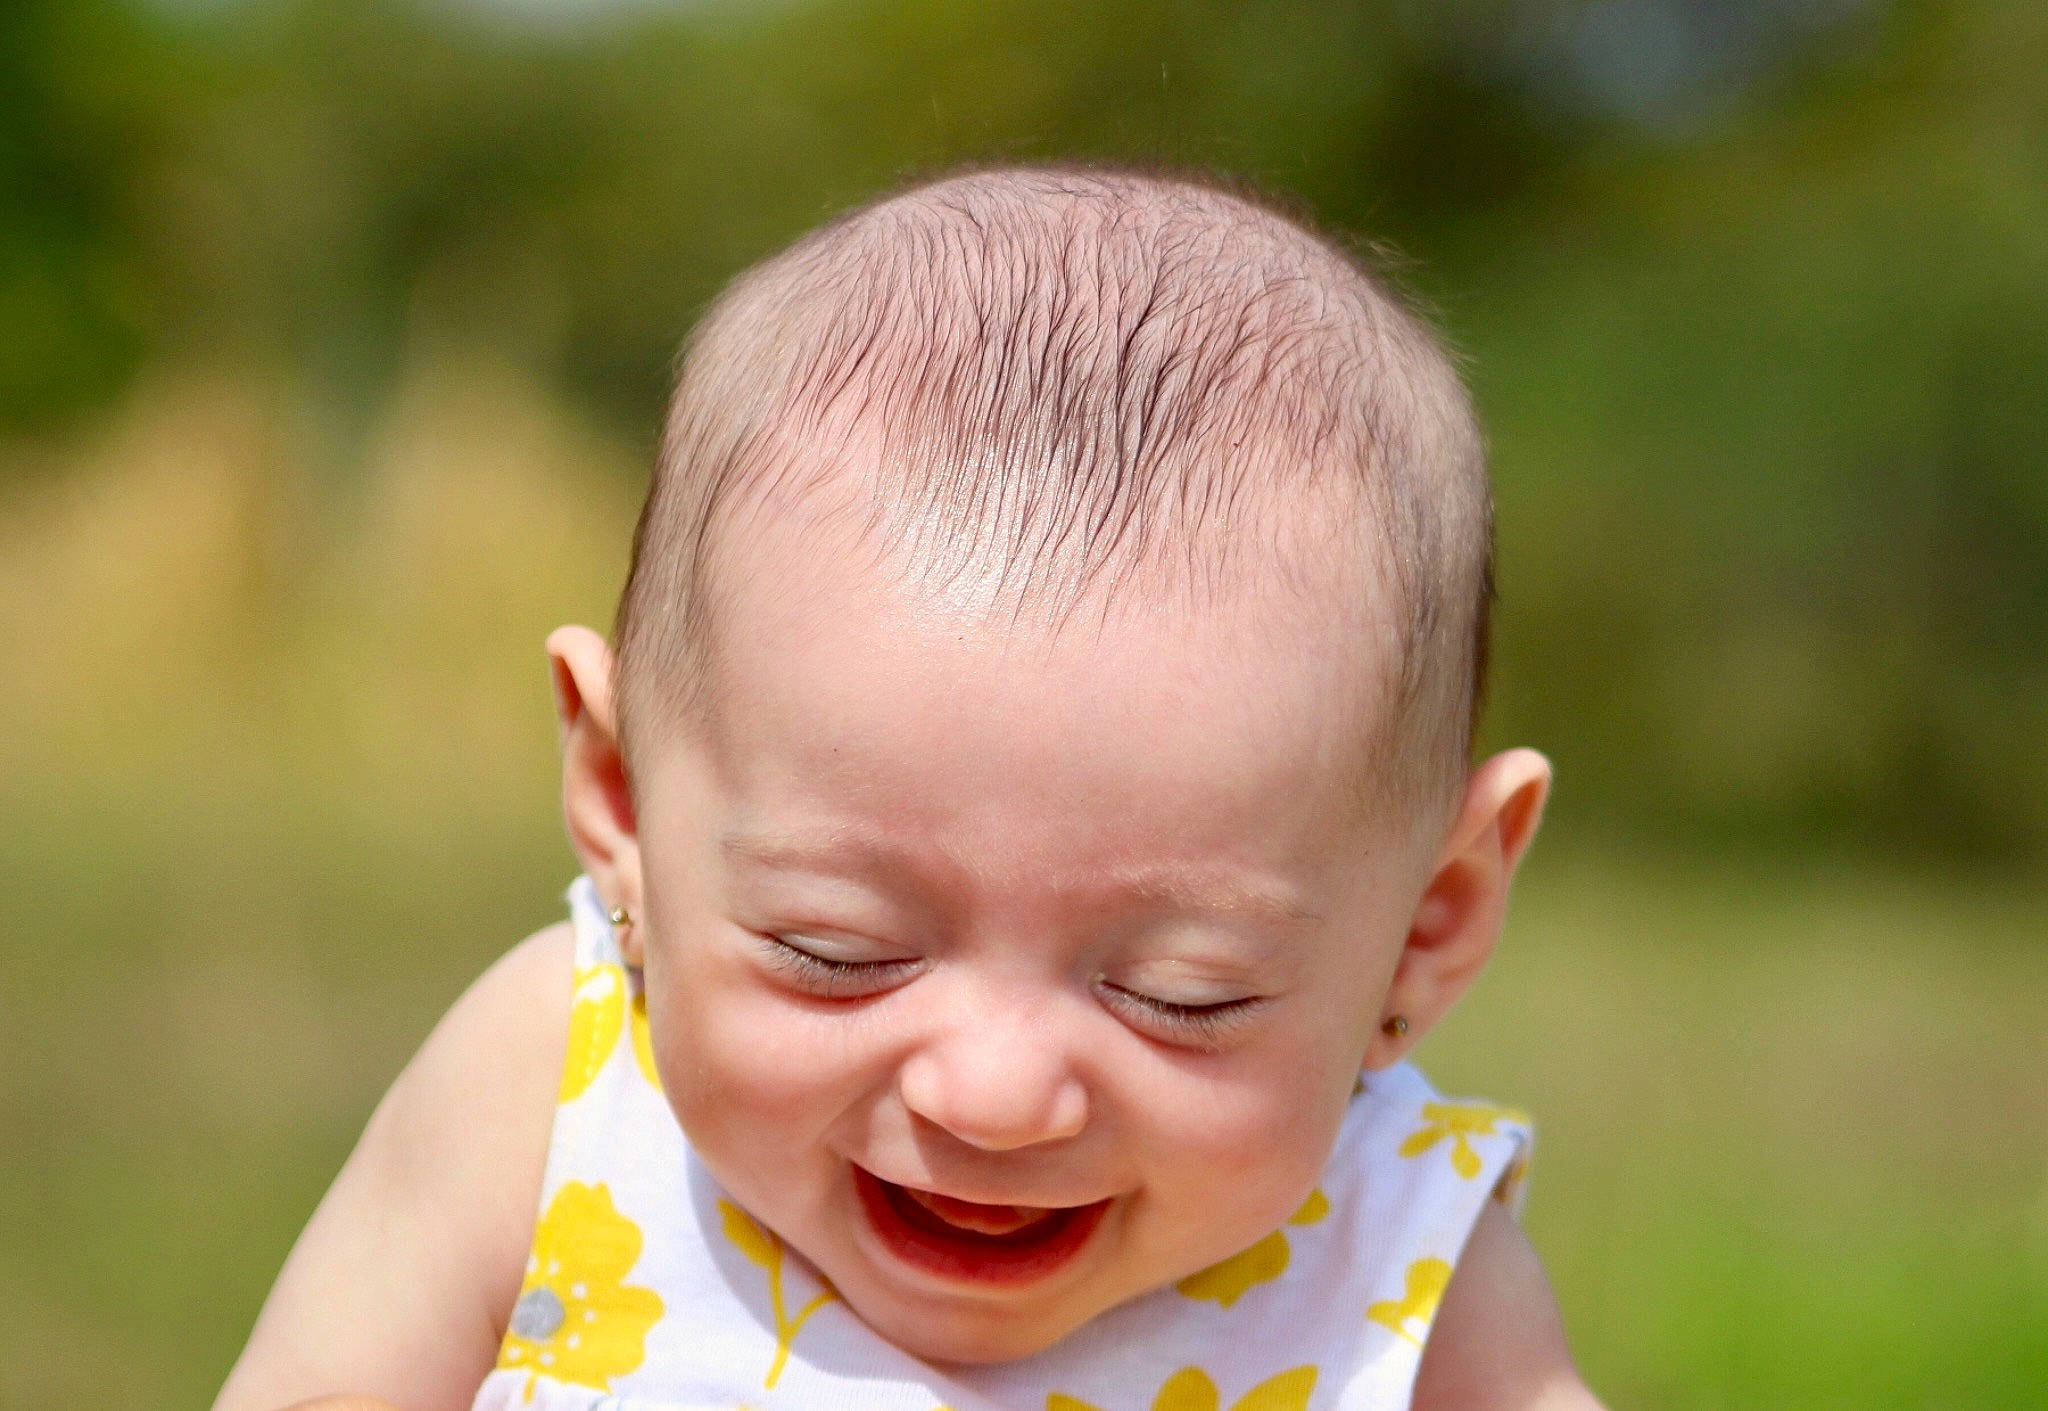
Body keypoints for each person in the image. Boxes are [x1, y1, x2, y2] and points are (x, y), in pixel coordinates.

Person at [215, 163, 1599, 1411]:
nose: (993, 1095)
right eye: (839, 952)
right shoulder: (555, 1091)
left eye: (1181, 994)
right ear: (625, 803)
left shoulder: (1393, 1255)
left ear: (1427, 922)